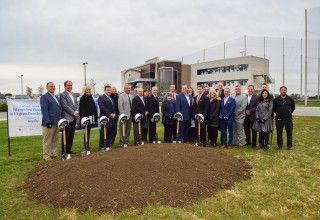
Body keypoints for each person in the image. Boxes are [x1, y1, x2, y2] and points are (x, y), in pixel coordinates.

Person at [40, 82, 62, 161]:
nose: (53, 87)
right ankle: (46, 155)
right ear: (47, 87)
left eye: (54, 86)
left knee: (55, 139)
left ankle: (54, 153)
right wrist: (47, 122)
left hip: (57, 121)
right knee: (47, 140)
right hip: (49, 122)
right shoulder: (44, 97)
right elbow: (44, 110)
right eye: (51, 86)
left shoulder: (56, 97)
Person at [60, 80, 79, 159]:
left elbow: (76, 104)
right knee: (66, 135)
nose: (70, 87)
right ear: (65, 86)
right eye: (68, 85)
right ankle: (64, 151)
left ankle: (69, 149)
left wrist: (77, 111)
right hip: (67, 117)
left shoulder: (73, 94)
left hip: (74, 117)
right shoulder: (62, 94)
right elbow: (64, 106)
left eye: (71, 85)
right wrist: (73, 112)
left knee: (71, 135)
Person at [273, 86, 295, 150]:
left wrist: (288, 112)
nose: (283, 91)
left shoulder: (290, 99)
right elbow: (274, 109)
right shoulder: (276, 100)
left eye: (284, 90)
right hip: (279, 119)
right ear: (280, 91)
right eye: (282, 90)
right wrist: (278, 113)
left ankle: (289, 146)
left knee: (289, 132)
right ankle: (279, 146)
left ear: (286, 91)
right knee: (279, 133)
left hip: (288, 119)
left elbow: (293, 108)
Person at [79, 86, 98, 154]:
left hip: (91, 118)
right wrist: (84, 118)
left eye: (89, 89)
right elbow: (81, 110)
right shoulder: (82, 98)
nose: (88, 91)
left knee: (88, 132)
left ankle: (87, 145)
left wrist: (95, 116)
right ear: (84, 90)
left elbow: (94, 108)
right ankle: (86, 146)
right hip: (85, 118)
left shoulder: (91, 98)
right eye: (87, 90)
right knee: (86, 132)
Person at [98, 85, 117, 152]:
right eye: (107, 90)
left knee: (109, 132)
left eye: (110, 90)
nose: (109, 91)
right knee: (103, 132)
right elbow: (102, 108)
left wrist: (114, 113)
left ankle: (108, 145)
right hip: (104, 118)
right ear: (105, 90)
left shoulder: (110, 98)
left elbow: (113, 107)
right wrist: (109, 114)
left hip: (111, 118)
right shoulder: (101, 97)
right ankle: (102, 146)